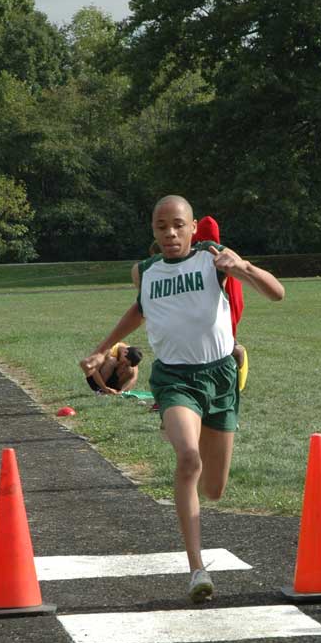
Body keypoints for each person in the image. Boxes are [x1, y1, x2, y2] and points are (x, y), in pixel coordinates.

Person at [80, 195, 284, 603]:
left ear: (193, 228)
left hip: (221, 376)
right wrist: (104, 348)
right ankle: (196, 568)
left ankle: (186, 436)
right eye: (161, 227)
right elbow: (139, 310)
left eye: (178, 225)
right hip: (174, 378)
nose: (170, 233)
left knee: (214, 489)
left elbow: (276, 293)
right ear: (153, 231)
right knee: (188, 458)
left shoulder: (214, 257)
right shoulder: (145, 271)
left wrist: (241, 267)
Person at [191, 215, 250, 392]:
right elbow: (237, 298)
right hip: (222, 318)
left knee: (229, 352)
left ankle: (231, 388)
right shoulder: (227, 258)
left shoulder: (214, 260)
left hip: (212, 319)